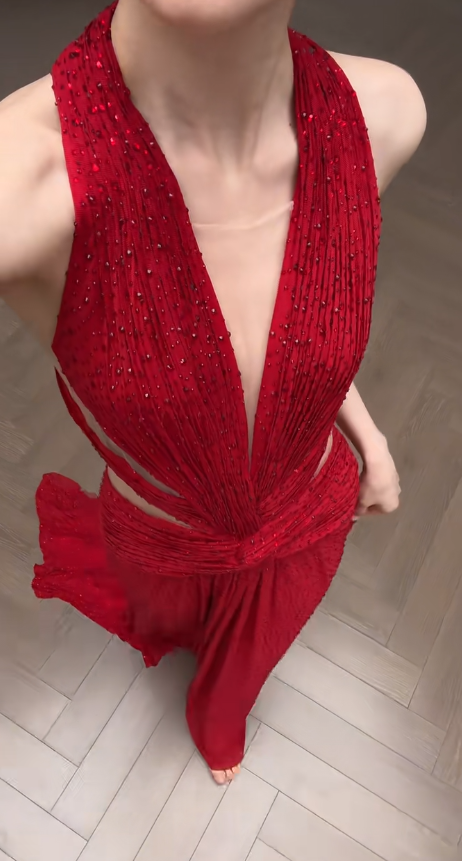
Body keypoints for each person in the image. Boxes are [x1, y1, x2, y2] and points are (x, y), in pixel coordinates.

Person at [0, 0, 426, 785]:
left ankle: (219, 718)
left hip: (309, 516)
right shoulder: (17, 188)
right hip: (163, 546)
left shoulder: (385, 114)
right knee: (170, 622)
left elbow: (298, 335)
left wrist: (371, 439)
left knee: (244, 669)